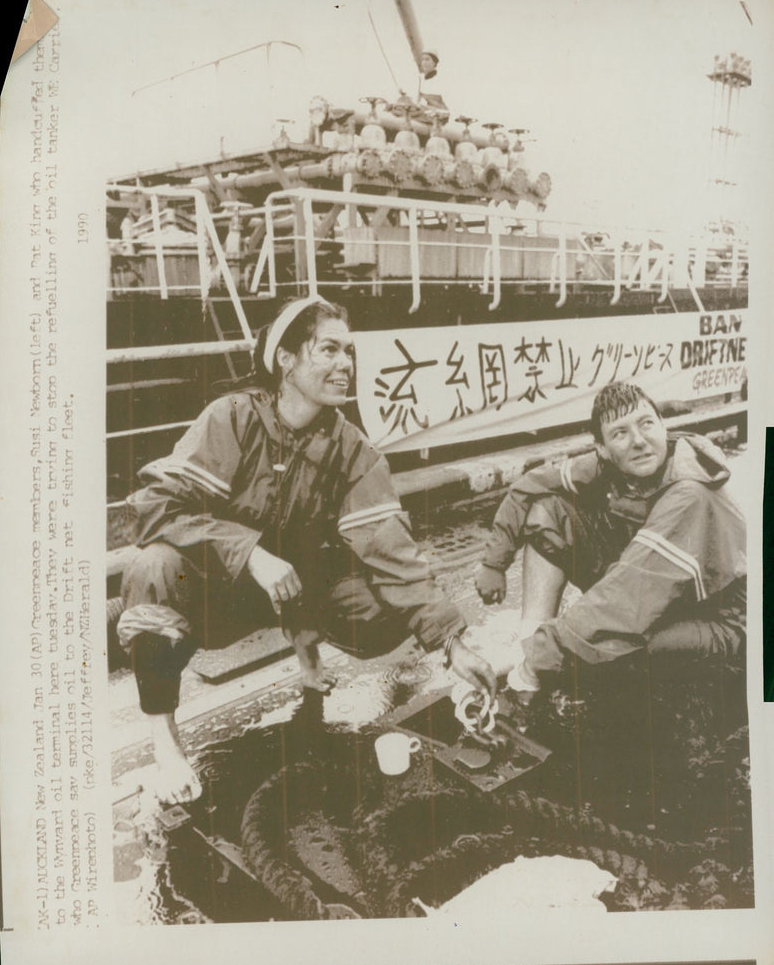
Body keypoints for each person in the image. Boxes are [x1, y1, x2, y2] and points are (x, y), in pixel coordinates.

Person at [117, 296, 496, 804]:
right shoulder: (230, 417)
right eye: (329, 350)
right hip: (219, 593)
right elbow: (153, 506)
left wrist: (453, 643)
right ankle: (164, 737)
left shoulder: (352, 447)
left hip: (298, 593)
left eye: (350, 353)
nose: (346, 365)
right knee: (153, 568)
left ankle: (306, 649)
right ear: (286, 360)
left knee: (382, 606)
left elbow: (392, 547)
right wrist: (249, 552)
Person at [474, 381, 746, 695]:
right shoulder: (607, 465)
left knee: (615, 644)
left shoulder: (690, 492)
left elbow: (625, 600)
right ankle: (529, 642)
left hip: (725, 624)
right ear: (602, 449)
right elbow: (529, 485)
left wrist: (538, 662)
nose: (639, 441)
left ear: (663, 426)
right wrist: (494, 562)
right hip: (663, 593)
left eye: (646, 424)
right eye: (621, 433)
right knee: (548, 510)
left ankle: (537, 669)